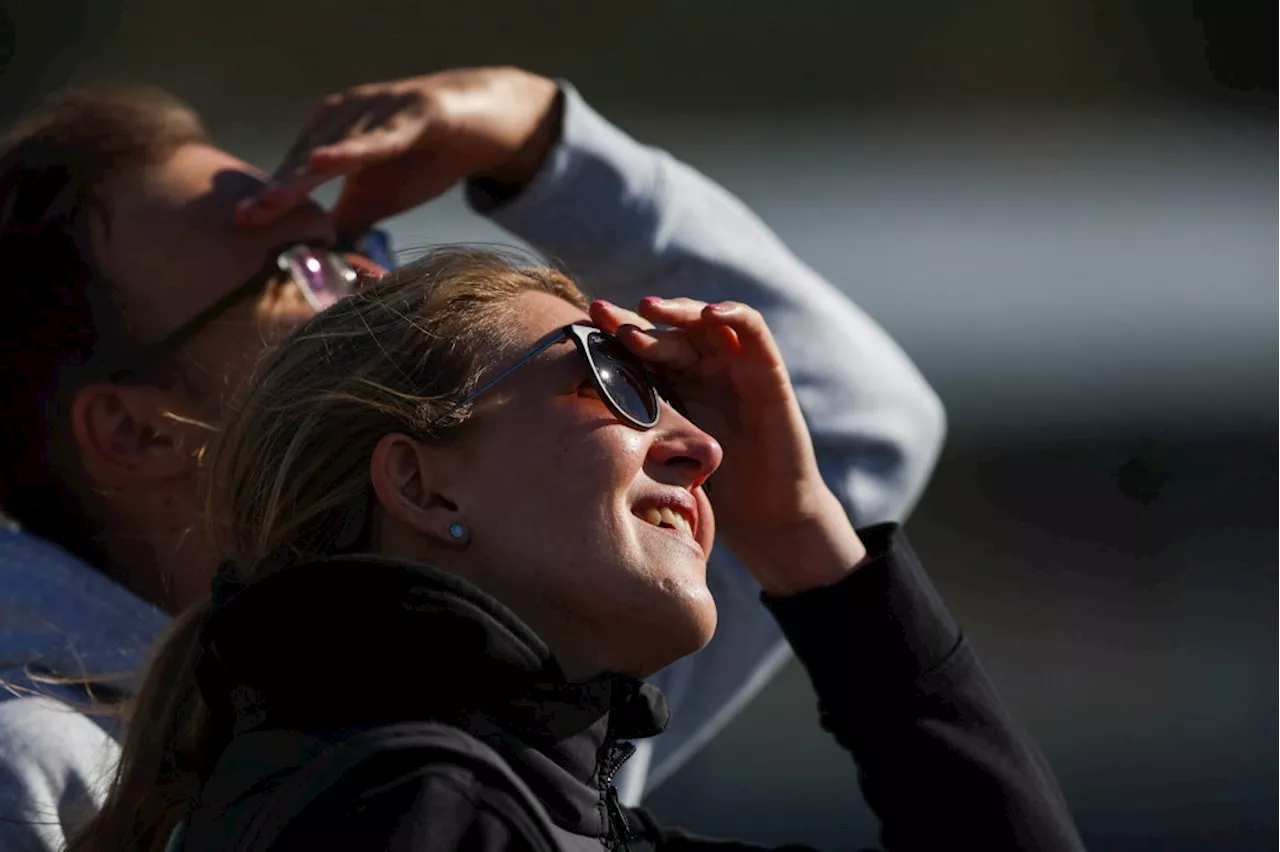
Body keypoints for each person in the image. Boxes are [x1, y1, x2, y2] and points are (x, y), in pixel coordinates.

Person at [0, 67, 946, 848]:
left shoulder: (529, 656)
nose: (383, 281)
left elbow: (841, 429)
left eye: (360, 246)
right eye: (306, 271)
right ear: (139, 432)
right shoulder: (32, 763)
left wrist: (543, 138)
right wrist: (554, 163)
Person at [67, 248, 1083, 852]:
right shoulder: (413, 810)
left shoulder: (470, 806)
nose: (700, 447)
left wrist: (799, 536)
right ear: (421, 483)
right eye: (611, 375)